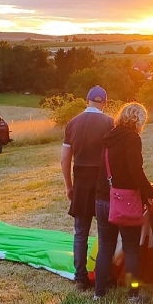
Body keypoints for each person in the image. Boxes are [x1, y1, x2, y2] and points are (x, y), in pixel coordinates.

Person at [95, 102, 153, 302]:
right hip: (125, 202)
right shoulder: (132, 139)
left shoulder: (108, 138)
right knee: (131, 248)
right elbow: (135, 171)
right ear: (139, 120)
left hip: (102, 199)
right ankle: (133, 294)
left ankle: (99, 292)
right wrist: (149, 192)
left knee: (105, 246)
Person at [61, 85, 114, 291]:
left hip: (81, 184)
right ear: (105, 103)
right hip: (102, 184)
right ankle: (104, 276)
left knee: (80, 232)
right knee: (104, 234)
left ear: (87, 100)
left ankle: (80, 277)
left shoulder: (72, 123)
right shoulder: (109, 122)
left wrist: (69, 186)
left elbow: (65, 159)